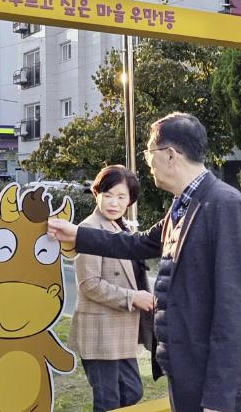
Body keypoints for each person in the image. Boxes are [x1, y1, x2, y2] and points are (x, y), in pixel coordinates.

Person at [49, 112, 241, 412]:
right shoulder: (184, 203)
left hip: (212, 385)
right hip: (186, 371)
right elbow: (138, 243)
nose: (147, 162)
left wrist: (219, 398)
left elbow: (233, 309)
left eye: (149, 153)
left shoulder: (224, 205)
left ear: (170, 155)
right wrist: (77, 234)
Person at [68, 165, 154, 412]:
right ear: (97, 194)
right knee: (108, 401)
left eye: (121, 197)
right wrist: (132, 297)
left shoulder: (121, 228)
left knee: (132, 391)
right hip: (100, 331)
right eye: (108, 195)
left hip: (121, 331)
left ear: (130, 200)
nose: (114, 203)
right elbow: (89, 284)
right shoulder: (89, 229)